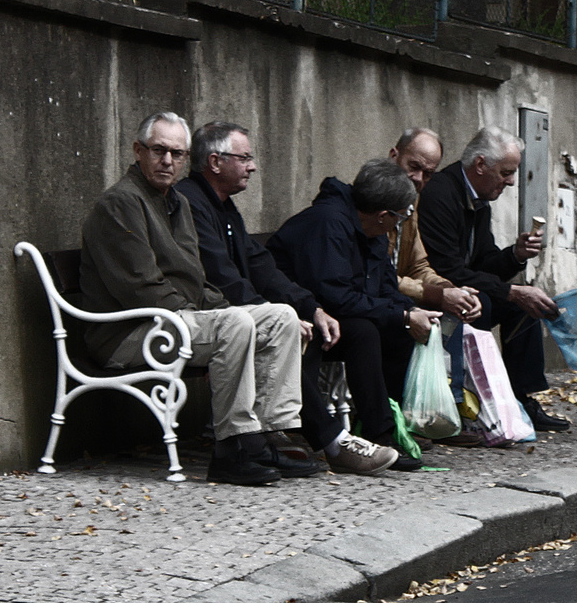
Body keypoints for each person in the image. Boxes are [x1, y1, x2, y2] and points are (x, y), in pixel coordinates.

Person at [79, 112, 324, 487]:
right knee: (235, 324)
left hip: (171, 320)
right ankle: (233, 447)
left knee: (280, 317)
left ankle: (271, 435)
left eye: (177, 154)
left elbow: (195, 280)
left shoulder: (175, 202)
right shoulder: (120, 203)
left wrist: (226, 308)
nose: (168, 161)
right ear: (138, 150)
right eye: (159, 150)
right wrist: (215, 316)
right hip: (127, 332)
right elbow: (141, 287)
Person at [175, 121, 400, 477]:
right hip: (209, 316)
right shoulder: (191, 201)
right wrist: (274, 312)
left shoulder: (224, 205)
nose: (252, 165)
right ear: (215, 162)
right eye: (244, 157)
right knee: (291, 330)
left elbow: (259, 264)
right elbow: (220, 275)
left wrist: (311, 308)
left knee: (353, 331)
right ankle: (329, 442)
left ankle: (375, 434)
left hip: (242, 313)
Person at [266, 159, 441, 464]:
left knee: (396, 331)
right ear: (384, 216)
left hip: (332, 315)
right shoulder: (329, 224)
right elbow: (335, 297)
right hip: (300, 314)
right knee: (366, 330)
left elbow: (386, 288)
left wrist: (410, 313)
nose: (400, 224)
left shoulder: (371, 230)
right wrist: (401, 315)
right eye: (401, 217)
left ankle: (384, 431)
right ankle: (357, 436)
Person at [416, 126, 570, 432]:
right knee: (484, 302)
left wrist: (515, 255)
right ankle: (474, 400)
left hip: (461, 286)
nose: (511, 182)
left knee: (522, 306)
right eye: (506, 173)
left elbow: (484, 264)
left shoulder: (479, 198)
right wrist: (511, 291)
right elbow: (447, 269)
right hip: (435, 291)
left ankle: (519, 396)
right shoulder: (440, 195)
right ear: (480, 165)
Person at [386, 128, 485, 446]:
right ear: (394, 156)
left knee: (458, 310)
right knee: (412, 317)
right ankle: (401, 418)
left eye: (428, 174)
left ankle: (446, 411)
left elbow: (419, 266)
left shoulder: (410, 205)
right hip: (379, 296)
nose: (418, 179)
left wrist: (453, 291)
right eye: (413, 167)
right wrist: (438, 294)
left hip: (398, 292)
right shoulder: (377, 200)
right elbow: (380, 274)